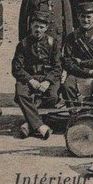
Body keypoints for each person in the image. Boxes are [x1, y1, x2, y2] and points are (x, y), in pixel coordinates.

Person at [12, 12, 60, 140]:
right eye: (35, 26)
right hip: (30, 78)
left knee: (53, 96)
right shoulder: (23, 44)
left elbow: (57, 67)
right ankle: (41, 127)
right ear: (31, 26)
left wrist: (48, 81)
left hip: (46, 78)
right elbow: (16, 68)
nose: (38, 30)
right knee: (21, 93)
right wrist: (30, 80)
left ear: (46, 28)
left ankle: (29, 124)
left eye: (41, 27)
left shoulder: (52, 43)